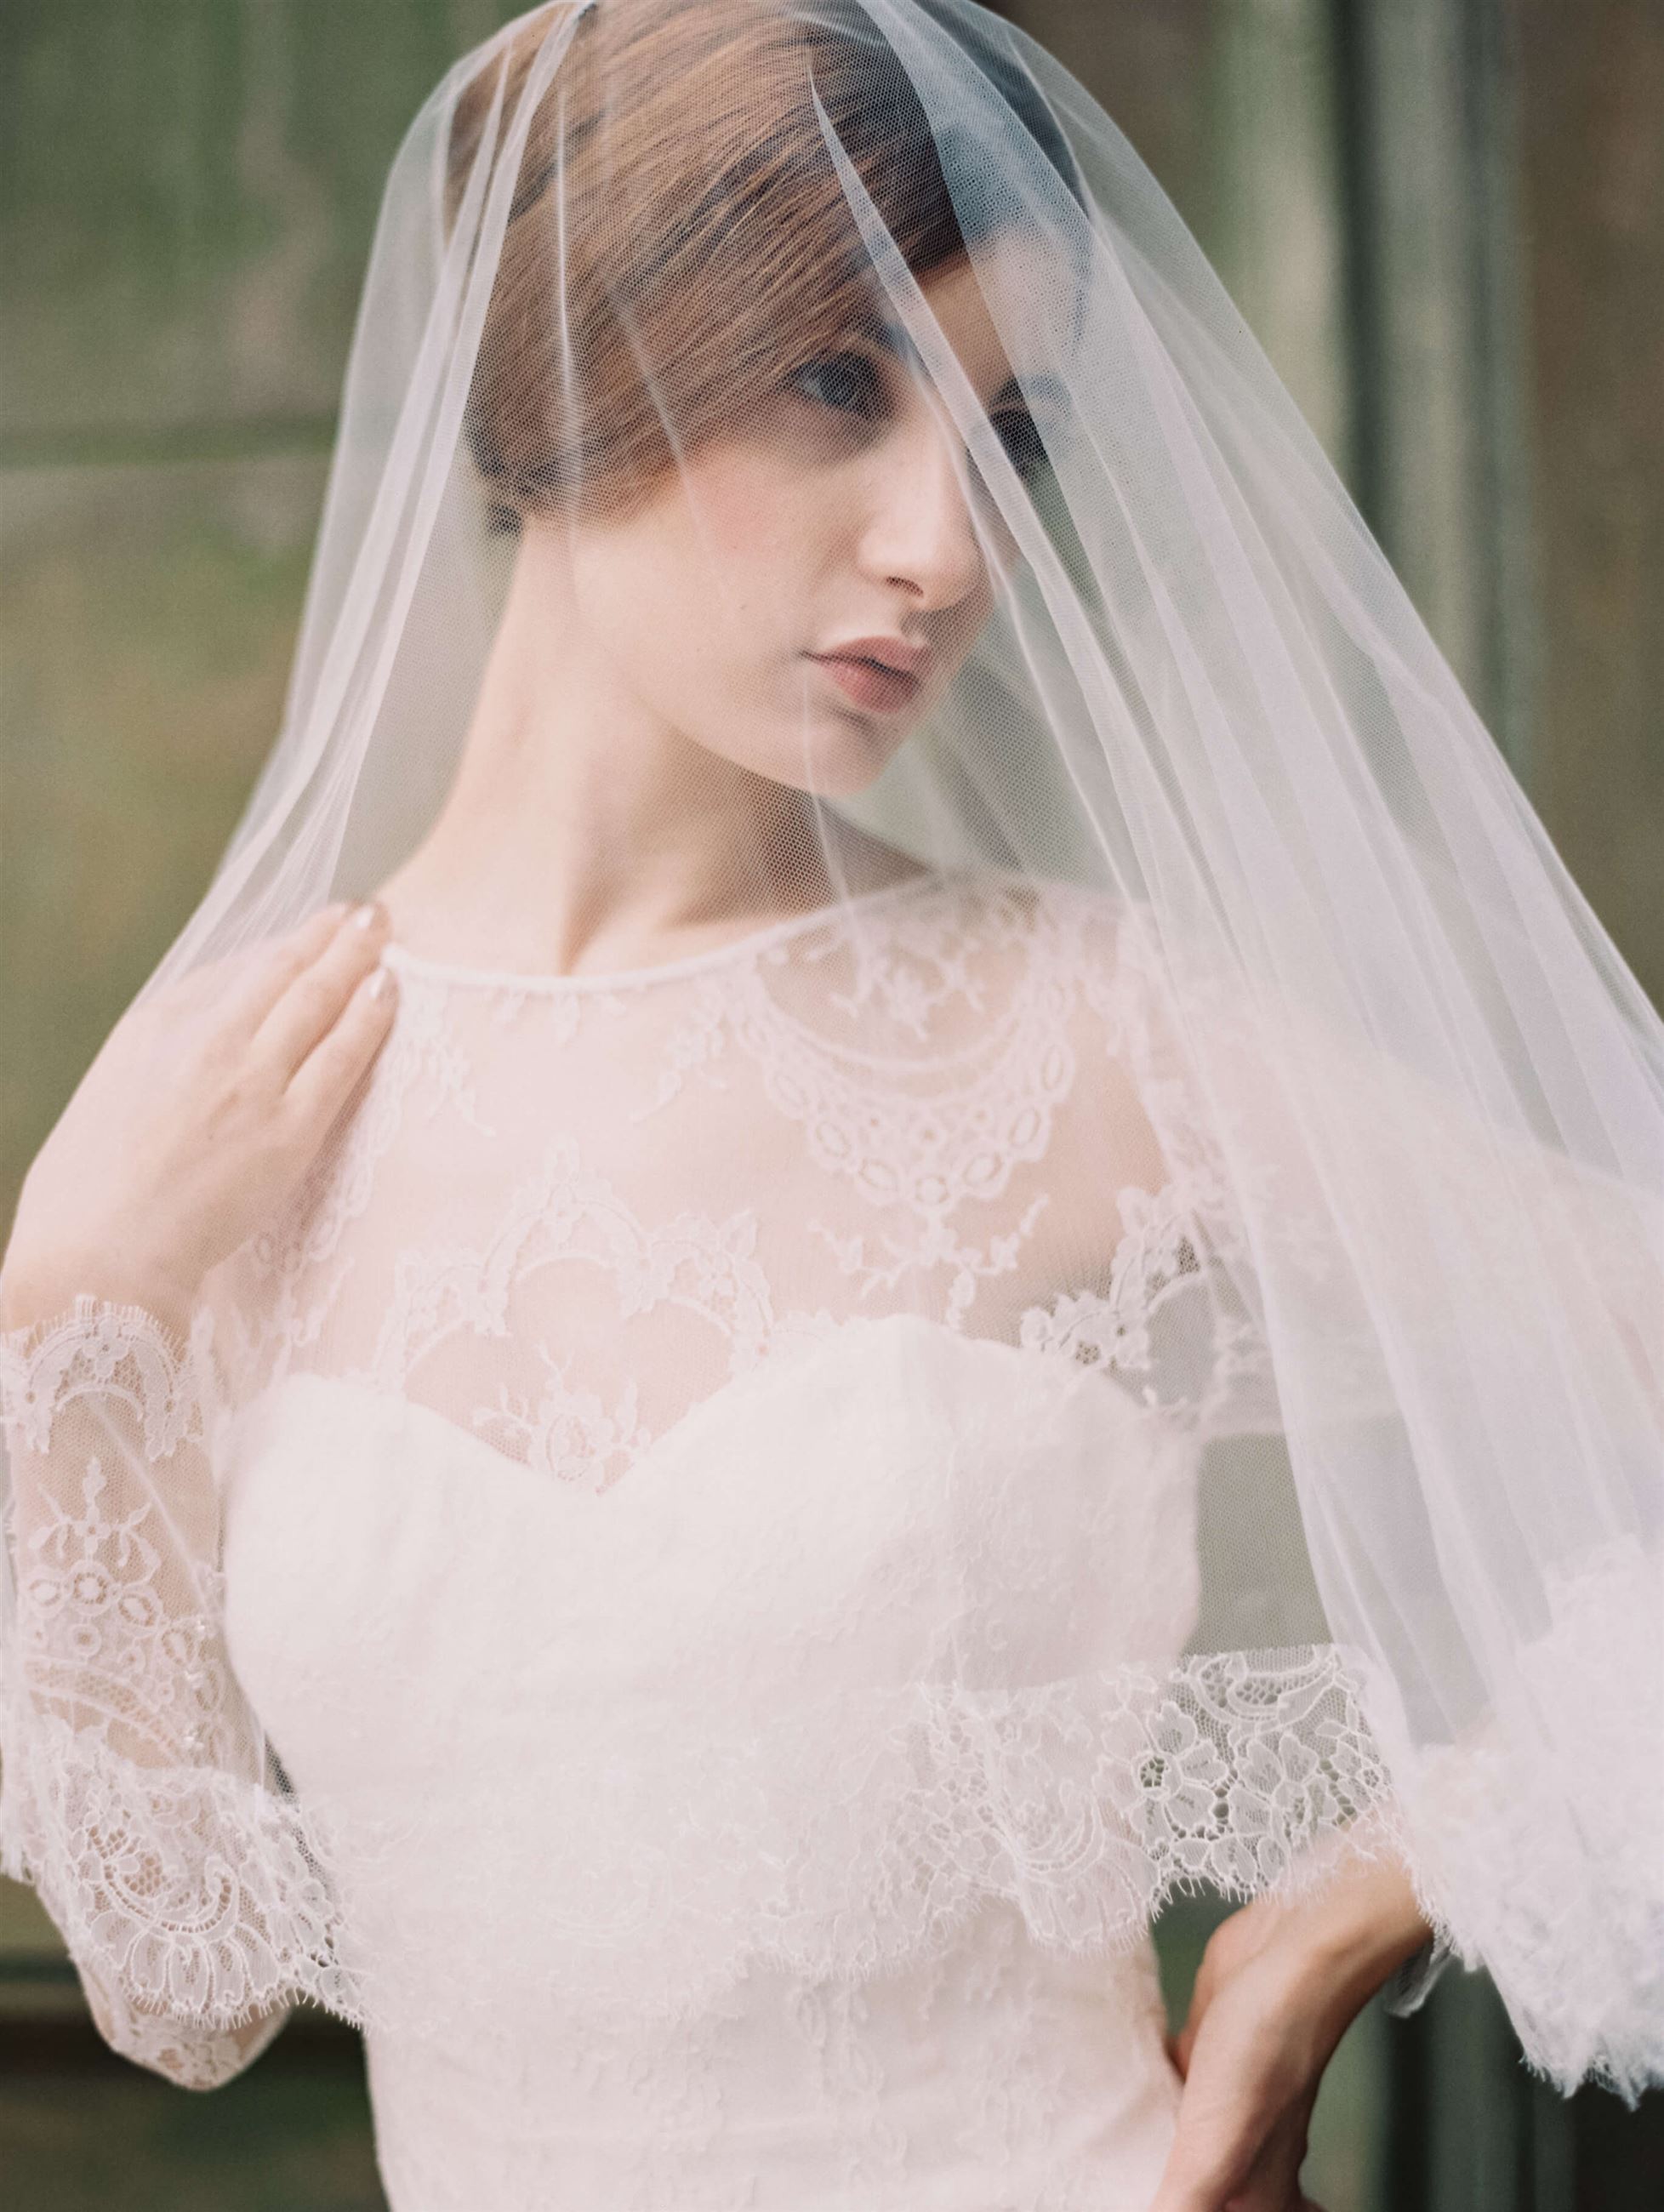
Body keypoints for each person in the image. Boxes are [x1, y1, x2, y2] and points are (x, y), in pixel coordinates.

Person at [2, 4, 1659, 2209]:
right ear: (571, 365)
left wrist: (1364, 1898)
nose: (945, 552)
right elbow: (177, 1984)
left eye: (1009, 439)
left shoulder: (1082, 1032)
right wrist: (75, 1300)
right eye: (842, 387)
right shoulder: (233, 1093)